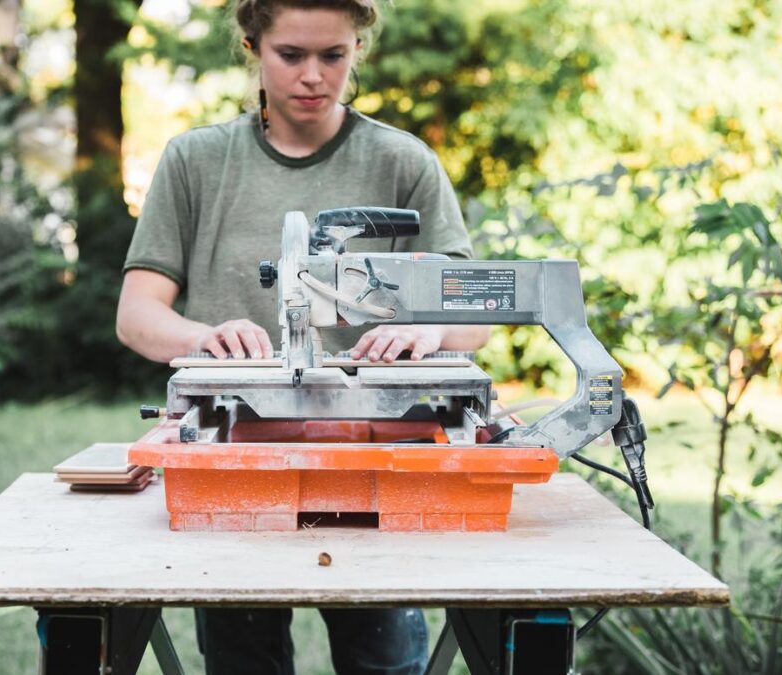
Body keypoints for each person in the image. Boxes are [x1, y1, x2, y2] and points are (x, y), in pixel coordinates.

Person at [116, 1, 490, 672]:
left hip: (376, 458)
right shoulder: (196, 161)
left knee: (382, 659)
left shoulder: (403, 162)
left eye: (334, 56)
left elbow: (477, 313)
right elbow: (138, 315)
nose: (313, 76)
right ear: (252, 45)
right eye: (291, 55)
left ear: (358, 50)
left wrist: (429, 331)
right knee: (244, 661)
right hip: (236, 461)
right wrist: (206, 336)